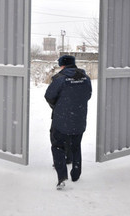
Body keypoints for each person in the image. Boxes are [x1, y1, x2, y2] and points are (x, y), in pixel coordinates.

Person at [44, 55, 92, 190]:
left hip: (61, 119)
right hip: (79, 118)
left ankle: (61, 176)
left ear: (62, 65)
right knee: (76, 145)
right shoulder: (85, 78)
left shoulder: (60, 79)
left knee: (58, 145)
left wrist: (58, 107)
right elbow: (88, 95)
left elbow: (49, 96)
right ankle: (76, 174)